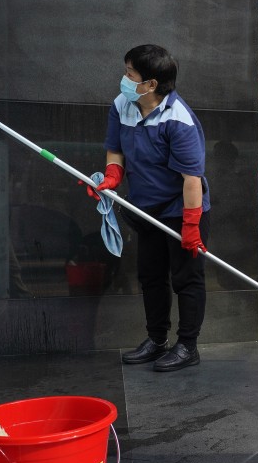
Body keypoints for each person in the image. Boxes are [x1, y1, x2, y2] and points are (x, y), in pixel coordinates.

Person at [90, 44, 210, 373]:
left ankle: (187, 346)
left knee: (186, 278)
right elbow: (115, 150)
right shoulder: (122, 105)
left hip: (183, 207)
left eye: (130, 74)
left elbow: (191, 180)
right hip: (146, 209)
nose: (124, 79)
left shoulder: (178, 119)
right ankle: (156, 340)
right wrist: (112, 176)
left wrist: (190, 226)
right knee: (151, 277)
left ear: (151, 84)